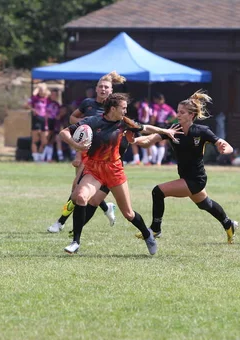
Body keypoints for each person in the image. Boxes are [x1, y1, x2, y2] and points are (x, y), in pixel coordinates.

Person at [59, 92, 182, 254]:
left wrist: (166, 131)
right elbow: (64, 133)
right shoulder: (93, 121)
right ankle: (75, 242)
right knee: (81, 197)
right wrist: (77, 145)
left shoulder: (125, 123)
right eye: (123, 108)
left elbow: (145, 128)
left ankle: (147, 234)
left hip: (114, 170)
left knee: (128, 213)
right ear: (112, 108)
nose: (125, 111)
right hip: (94, 169)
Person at [132, 90, 239, 244]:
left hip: (196, 179)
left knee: (158, 191)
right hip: (186, 177)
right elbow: (149, 140)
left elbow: (225, 145)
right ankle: (228, 224)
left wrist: (225, 150)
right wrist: (134, 141)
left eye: (182, 112)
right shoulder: (173, 129)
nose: (178, 114)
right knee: (205, 204)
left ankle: (155, 229)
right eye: (177, 111)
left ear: (191, 115)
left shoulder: (202, 131)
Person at [47, 72, 125, 234]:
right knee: (80, 189)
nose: (103, 89)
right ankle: (106, 206)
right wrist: (84, 127)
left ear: (111, 90)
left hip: (101, 156)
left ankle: (61, 222)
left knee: (77, 188)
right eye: (100, 86)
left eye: (106, 87)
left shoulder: (115, 109)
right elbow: (73, 118)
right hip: (84, 151)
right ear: (96, 89)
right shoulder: (88, 104)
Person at [151, 93, 177, 165]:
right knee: (162, 143)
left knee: (152, 141)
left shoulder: (155, 107)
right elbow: (175, 115)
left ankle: (154, 160)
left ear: (158, 100)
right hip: (164, 125)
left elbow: (154, 116)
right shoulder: (167, 107)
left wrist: (151, 124)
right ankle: (158, 162)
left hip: (157, 125)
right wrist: (168, 121)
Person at [26, 83, 50, 162]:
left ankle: (40, 156)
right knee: (35, 140)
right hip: (36, 120)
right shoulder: (35, 98)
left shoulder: (47, 99)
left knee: (44, 141)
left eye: (42, 90)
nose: (41, 91)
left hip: (44, 121)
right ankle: (36, 158)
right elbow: (26, 104)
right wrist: (33, 110)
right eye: (40, 90)